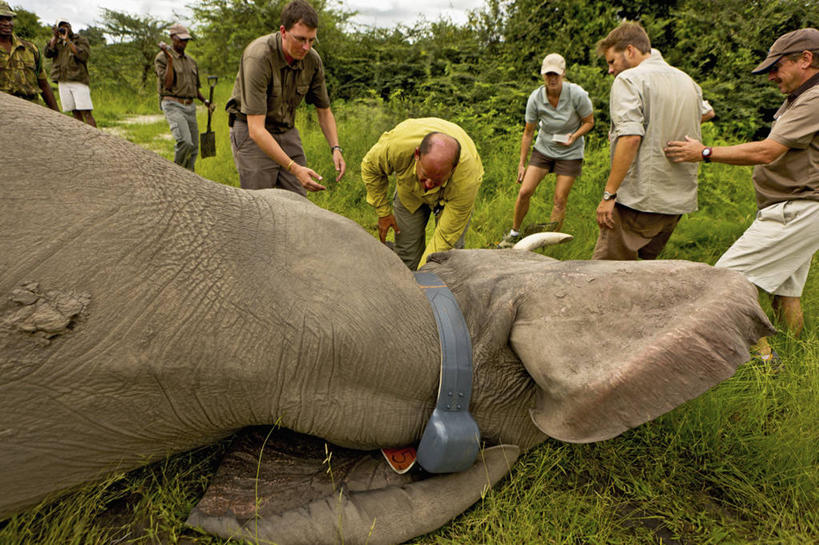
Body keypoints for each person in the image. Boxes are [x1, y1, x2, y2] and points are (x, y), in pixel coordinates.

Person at [665, 27, 819, 341]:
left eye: (776, 67)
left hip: (797, 209)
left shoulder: (814, 99)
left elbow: (767, 151)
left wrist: (704, 152)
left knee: (724, 283)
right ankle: (793, 355)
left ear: (805, 59)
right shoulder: (799, 98)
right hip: (795, 207)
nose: (771, 76)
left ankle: (765, 359)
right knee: (785, 292)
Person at [592, 21, 708, 260]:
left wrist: (609, 195)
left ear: (630, 50)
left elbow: (630, 138)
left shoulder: (629, 80)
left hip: (639, 201)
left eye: (612, 61)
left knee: (607, 274)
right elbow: (706, 113)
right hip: (676, 203)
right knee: (643, 273)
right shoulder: (689, 82)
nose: (610, 70)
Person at [226, 0, 345, 193]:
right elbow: (256, 129)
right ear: (283, 32)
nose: (306, 47)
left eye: (311, 40)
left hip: (285, 129)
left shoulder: (312, 60)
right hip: (252, 130)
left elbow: (324, 111)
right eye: (300, 39)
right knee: (260, 201)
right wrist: (294, 168)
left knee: (297, 198)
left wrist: (336, 148)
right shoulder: (258, 57)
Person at [361, 117, 484, 270]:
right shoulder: (396, 147)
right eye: (425, 175)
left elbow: (444, 239)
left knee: (445, 260)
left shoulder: (467, 178)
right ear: (417, 154)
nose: (428, 185)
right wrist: (383, 212)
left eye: (437, 180)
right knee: (406, 253)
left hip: (451, 196)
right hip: (409, 192)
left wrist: (425, 274)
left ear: (453, 168)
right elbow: (371, 169)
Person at [498, 53, 594, 248]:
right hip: (544, 148)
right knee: (525, 191)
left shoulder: (576, 94)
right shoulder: (536, 98)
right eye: (548, 74)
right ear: (543, 75)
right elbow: (528, 133)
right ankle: (514, 233)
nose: (552, 78)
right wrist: (521, 164)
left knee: (559, 200)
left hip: (570, 152)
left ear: (563, 74)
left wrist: (574, 136)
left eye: (555, 74)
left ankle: (550, 244)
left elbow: (589, 122)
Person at [154, 23, 213, 172]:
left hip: (190, 107)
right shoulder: (162, 58)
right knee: (185, 141)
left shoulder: (191, 61)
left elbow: (194, 88)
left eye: (186, 40)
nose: (184, 43)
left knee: (194, 147)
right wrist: (170, 60)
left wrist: (205, 101)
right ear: (172, 38)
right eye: (181, 40)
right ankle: (176, 174)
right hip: (173, 104)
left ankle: (189, 177)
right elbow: (167, 84)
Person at [0, 2, 58, 111]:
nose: (7, 23)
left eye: (9, 19)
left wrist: (57, 114)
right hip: (4, 110)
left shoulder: (30, 49)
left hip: (32, 109)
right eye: (1, 19)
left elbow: (44, 84)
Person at [45, 19, 95, 127]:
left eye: (66, 26)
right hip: (63, 80)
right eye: (61, 27)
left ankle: (95, 135)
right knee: (74, 112)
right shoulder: (56, 42)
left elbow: (83, 56)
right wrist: (55, 37)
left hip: (78, 80)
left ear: (70, 26)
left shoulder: (80, 40)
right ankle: (80, 134)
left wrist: (67, 40)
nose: (64, 29)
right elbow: (47, 54)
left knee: (86, 112)